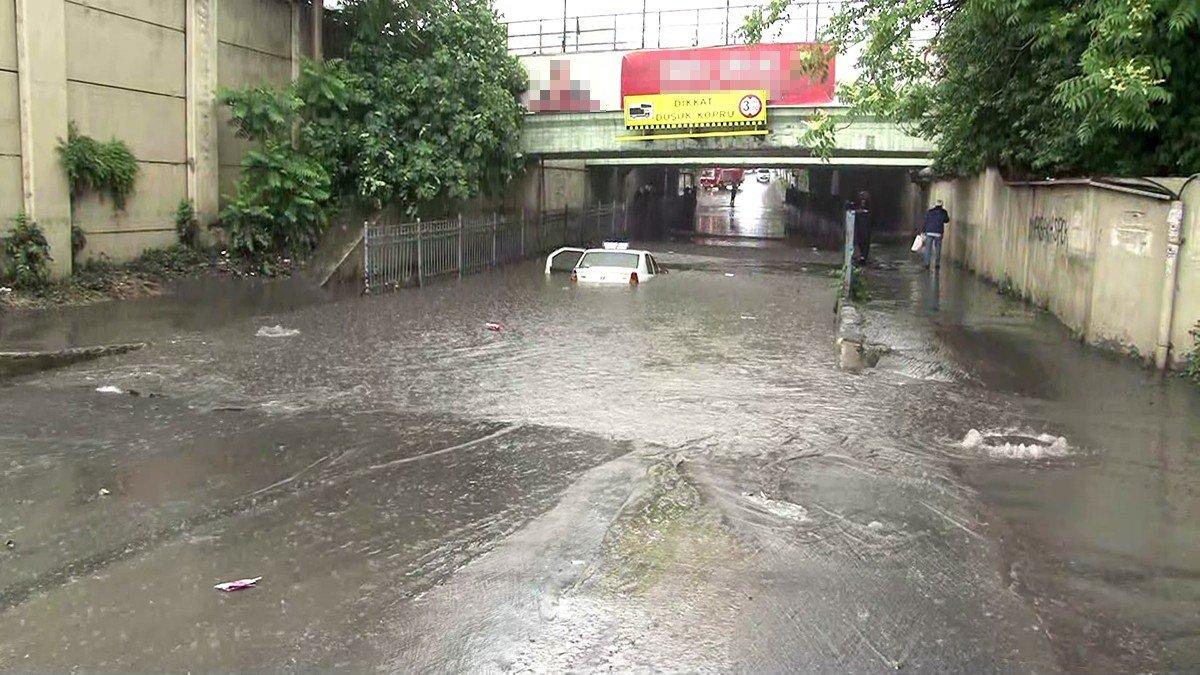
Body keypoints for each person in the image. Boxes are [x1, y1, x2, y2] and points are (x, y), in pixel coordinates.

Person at [921, 199, 950, 269]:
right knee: (938, 249)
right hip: (938, 232)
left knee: (928, 249)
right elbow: (947, 220)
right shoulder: (943, 212)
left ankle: (927, 264)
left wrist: (923, 230)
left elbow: (926, 221)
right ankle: (937, 264)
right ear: (942, 205)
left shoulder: (929, 212)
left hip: (929, 232)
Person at [852, 191, 872, 265]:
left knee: (864, 241)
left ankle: (863, 256)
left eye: (864, 200)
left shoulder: (867, 213)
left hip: (864, 231)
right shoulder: (857, 213)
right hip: (860, 231)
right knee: (860, 241)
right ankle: (860, 256)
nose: (863, 202)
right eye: (862, 200)